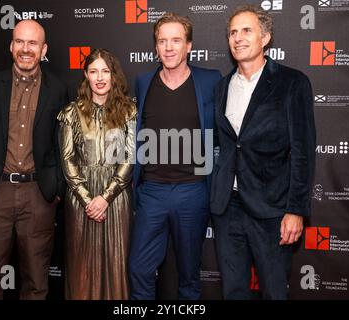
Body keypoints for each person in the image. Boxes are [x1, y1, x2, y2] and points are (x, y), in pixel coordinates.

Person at [210, 5, 316, 299]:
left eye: (246, 31)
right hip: (227, 209)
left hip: (271, 210)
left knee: (273, 292)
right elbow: (226, 146)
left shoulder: (292, 83)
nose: (238, 38)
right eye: (233, 32)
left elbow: (303, 152)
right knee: (233, 291)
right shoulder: (222, 87)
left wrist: (296, 210)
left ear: (265, 37)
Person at [0, 19, 68, 299]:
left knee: (36, 282)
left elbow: (63, 145)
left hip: (38, 194)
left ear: (43, 48)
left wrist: (56, 189)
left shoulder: (57, 90)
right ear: (11, 46)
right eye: (20, 41)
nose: (26, 49)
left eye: (32, 43)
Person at [128, 12, 222, 300]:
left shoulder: (210, 81)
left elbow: (224, 131)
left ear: (189, 46)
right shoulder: (143, 83)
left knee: (189, 274)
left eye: (176, 40)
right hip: (152, 192)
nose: (169, 47)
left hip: (192, 191)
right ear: (156, 47)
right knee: (138, 269)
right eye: (162, 41)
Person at [58, 49, 136, 300]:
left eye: (105, 71)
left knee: (117, 263)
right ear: (86, 76)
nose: (100, 77)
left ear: (114, 76)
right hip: (81, 199)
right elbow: (67, 160)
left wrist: (105, 197)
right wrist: (88, 199)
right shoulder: (71, 113)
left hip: (116, 197)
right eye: (94, 71)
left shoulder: (128, 111)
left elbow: (130, 158)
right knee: (82, 267)